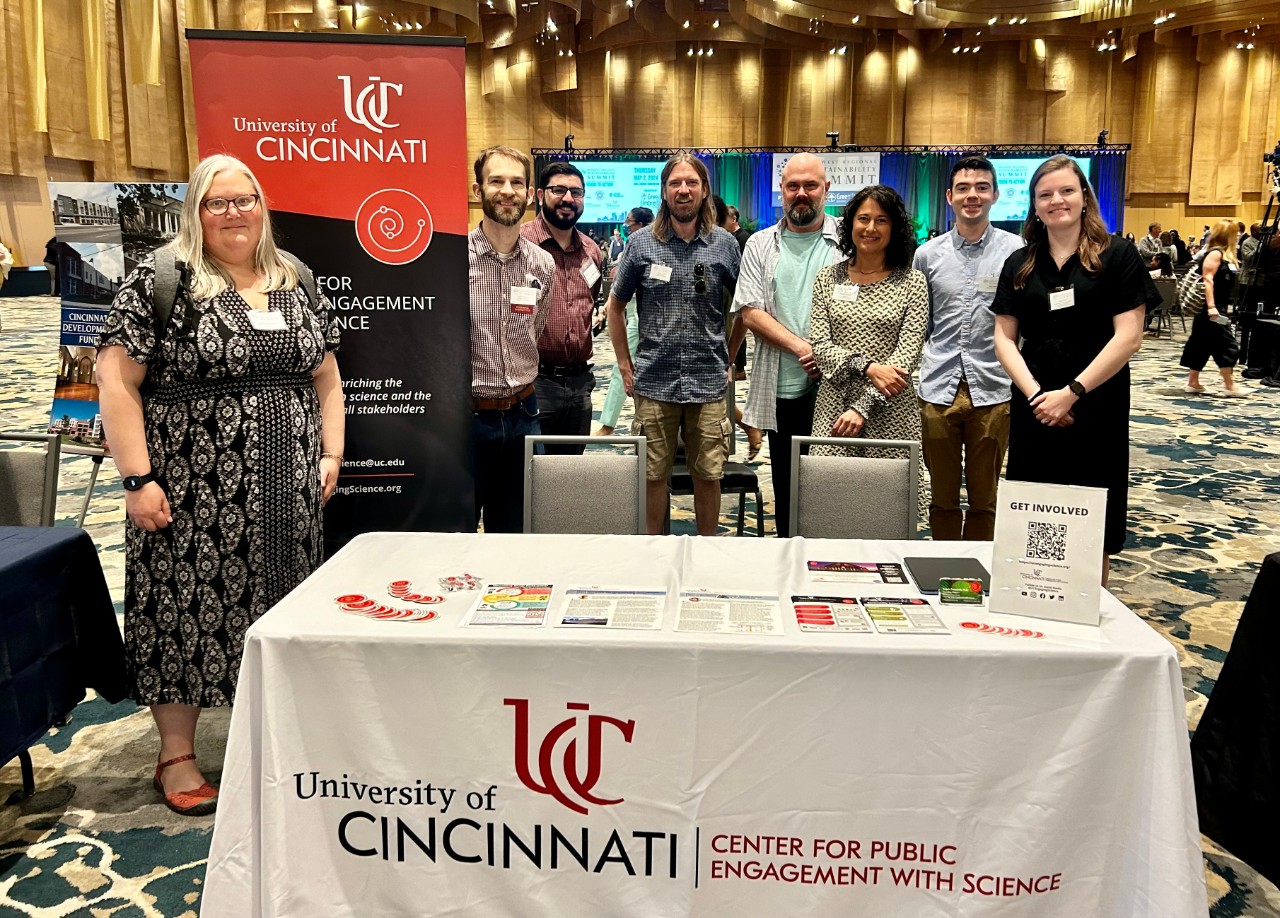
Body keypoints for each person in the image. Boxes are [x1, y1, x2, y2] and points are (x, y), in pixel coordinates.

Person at [96, 153, 344, 816]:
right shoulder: (163, 278)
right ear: (196, 211)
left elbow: (326, 375)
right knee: (183, 610)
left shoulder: (294, 276)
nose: (234, 213)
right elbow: (115, 381)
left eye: (245, 200)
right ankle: (176, 754)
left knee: (281, 606)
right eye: (217, 202)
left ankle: (273, 735)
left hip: (287, 493)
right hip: (189, 489)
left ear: (262, 207)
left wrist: (331, 453)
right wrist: (137, 478)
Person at [991, 155, 1156, 587]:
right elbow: (1004, 339)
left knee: (1092, 517)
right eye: (1045, 194)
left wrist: (1071, 393)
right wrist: (1036, 396)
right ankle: (1036, 595)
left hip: (1096, 403)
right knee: (1035, 510)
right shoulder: (1020, 263)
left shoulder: (1118, 255)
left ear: (1084, 196)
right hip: (1035, 405)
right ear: (1034, 204)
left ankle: (1088, 603)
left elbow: (1128, 338)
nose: (1056, 201)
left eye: (1066, 191)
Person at [606, 153, 741, 536]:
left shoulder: (724, 245)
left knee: (708, 475)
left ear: (704, 190)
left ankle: (707, 548)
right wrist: (624, 365)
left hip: (708, 384)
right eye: (675, 183)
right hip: (653, 383)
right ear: (665, 191)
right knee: (652, 475)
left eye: (691, 182)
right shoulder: (640, 244)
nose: (684, 190)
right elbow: (615, 307)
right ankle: (654, 552)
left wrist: (728, 357)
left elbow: (745, 309)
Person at [913, 156, 1024, 541]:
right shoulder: (928, 255)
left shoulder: (1016, 251)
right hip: (938, 389)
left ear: (995, 195)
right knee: (941, 497)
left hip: (993, 389)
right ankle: (944, 565)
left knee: (985, 498)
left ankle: (977, 568)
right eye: (963, 188)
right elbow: (922, 322)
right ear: (949, 196)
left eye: (981, 187)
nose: (971, 195)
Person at [732, 153, 840, 537]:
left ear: (826, 189)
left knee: (836, 486)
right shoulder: (760, 244)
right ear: (781, 190)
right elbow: (750, 313)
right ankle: (790, 559)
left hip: (841, 388)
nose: (801, 193)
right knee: (788, 487)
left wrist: (827, 354)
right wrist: (802, 348)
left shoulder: (851, 239)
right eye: (793, 186)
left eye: (811, 185)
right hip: (783, 386)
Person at [809, 184, 929, 521]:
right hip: (835, 410)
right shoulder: (827, 279)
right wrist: (869, 368)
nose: (871, 228)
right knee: (831, 511)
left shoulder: (913, 282)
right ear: (850, 224)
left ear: (895, 227)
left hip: (891, 409)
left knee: (888, 513)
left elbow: (906, 358)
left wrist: (862, 407)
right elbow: (820, 347)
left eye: (881, 220)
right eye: (863, 219)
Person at [468, 145, 555, 532]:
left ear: (530, 194)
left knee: (518, 533)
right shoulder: (453, 259)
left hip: (524, 415)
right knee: (458, 530)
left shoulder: (542, 263)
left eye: (517, 182)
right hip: (467, 419)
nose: (507, 191)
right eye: (496, 181)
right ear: (477, 190)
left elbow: (535, 330)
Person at [520, 162, 603, 455]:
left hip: (580, 384)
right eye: (559, 190)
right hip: (534, 383)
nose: (568, 198)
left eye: (576, 192)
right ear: (540, 194)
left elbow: (591, 302)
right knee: (531, 472)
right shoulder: (520, 244)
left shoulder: (591, 251)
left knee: (570, 472)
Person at [596, 206, 652, 436]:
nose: (626, 226)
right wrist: (606, 308)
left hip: (643, 318)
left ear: (642, 224)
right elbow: (620, 288)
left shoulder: (654, 248)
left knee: (624, 369)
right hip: (628, 313)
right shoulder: (632, 246)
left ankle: (609, 425)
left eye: (630, 223)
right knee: (625, 368)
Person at [1181, 219, 1247, 397]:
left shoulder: (1223, 255)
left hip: (1214, 308)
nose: (1238, 236)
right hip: (1212, 308)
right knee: (1226, 345)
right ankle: (1229, 385)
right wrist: (1211, 307)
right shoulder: (1215, 254)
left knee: (1201, 344)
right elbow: (1208, 279)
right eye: (1235, 233)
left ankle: (1193, 382)